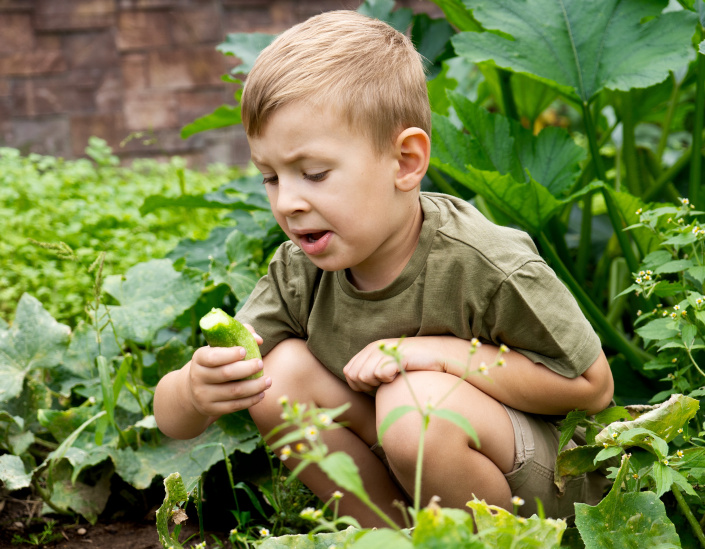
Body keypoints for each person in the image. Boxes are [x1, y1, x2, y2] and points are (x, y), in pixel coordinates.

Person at [153, 9, 614, 527]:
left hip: (544, 486)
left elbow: (593, 387)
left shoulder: (484, 261)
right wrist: (193, 390)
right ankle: (391, 536)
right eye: (271, 178)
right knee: (277, 375)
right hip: (412, 456)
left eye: (314, 173)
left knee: (411, 402)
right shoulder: (299, 273)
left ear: (406, 161)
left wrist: (433, 355)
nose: (288, 202)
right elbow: (173, 422)